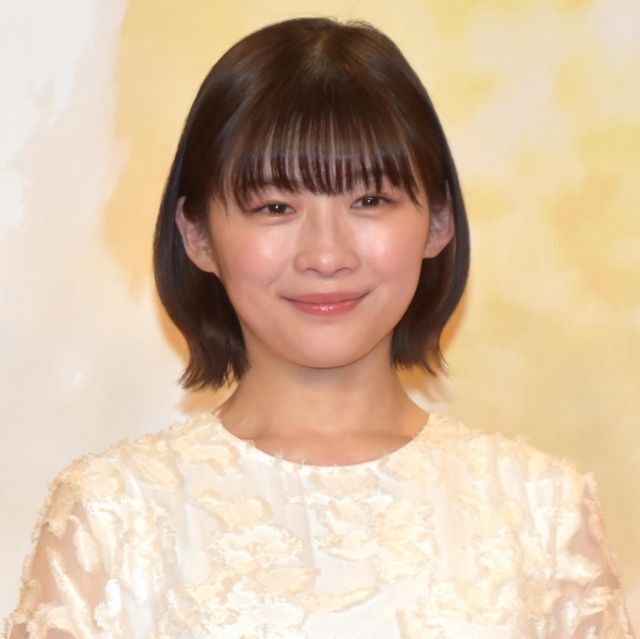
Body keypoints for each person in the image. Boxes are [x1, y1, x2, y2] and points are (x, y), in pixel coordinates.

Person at [4, 16, 634, 639]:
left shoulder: (544, 511)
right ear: (197, 236)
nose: (327, 256)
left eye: (370, 201)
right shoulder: (111, 515)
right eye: (276, 206)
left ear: (439, 221)